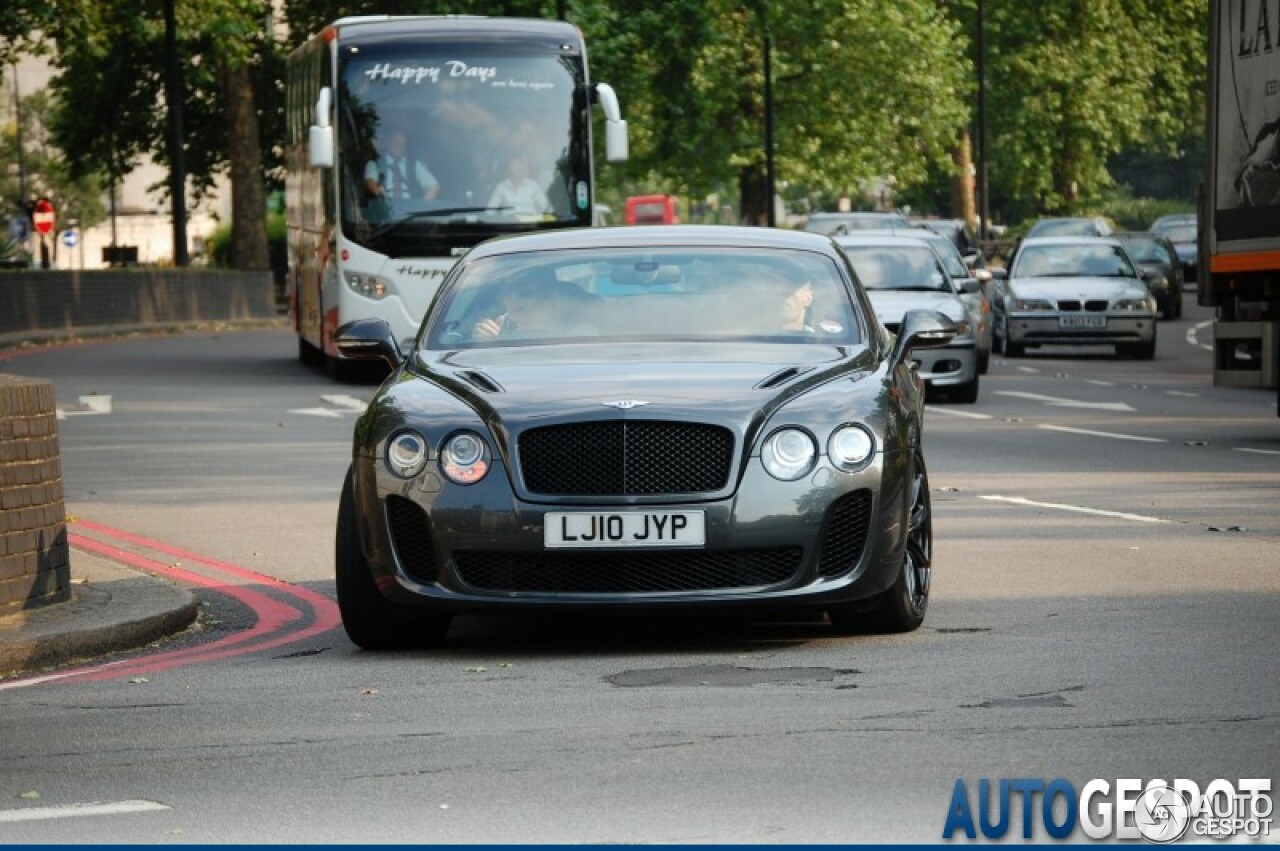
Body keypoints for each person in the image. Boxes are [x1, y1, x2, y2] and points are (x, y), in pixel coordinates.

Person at [364, 128, 439, 205]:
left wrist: (423, 204)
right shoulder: (375, 163)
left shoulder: (414, 164)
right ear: (387, 143)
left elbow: (433, 186)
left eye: (403, 144)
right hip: (385, 207)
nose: (401, 146)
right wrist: (376, 190)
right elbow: (370, 181)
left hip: (411, 209)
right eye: (397, 143)